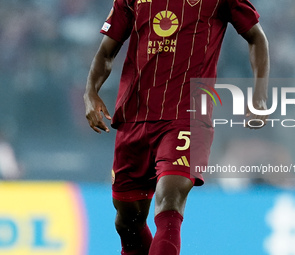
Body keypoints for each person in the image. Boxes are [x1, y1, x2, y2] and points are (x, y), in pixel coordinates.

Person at [84, 0, 269, 254]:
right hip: (134, 116)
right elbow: (107, 51)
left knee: (170, 199)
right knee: (128, 221)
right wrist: (90, 92)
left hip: (187, 115)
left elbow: (257, 38)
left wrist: (259, 95)